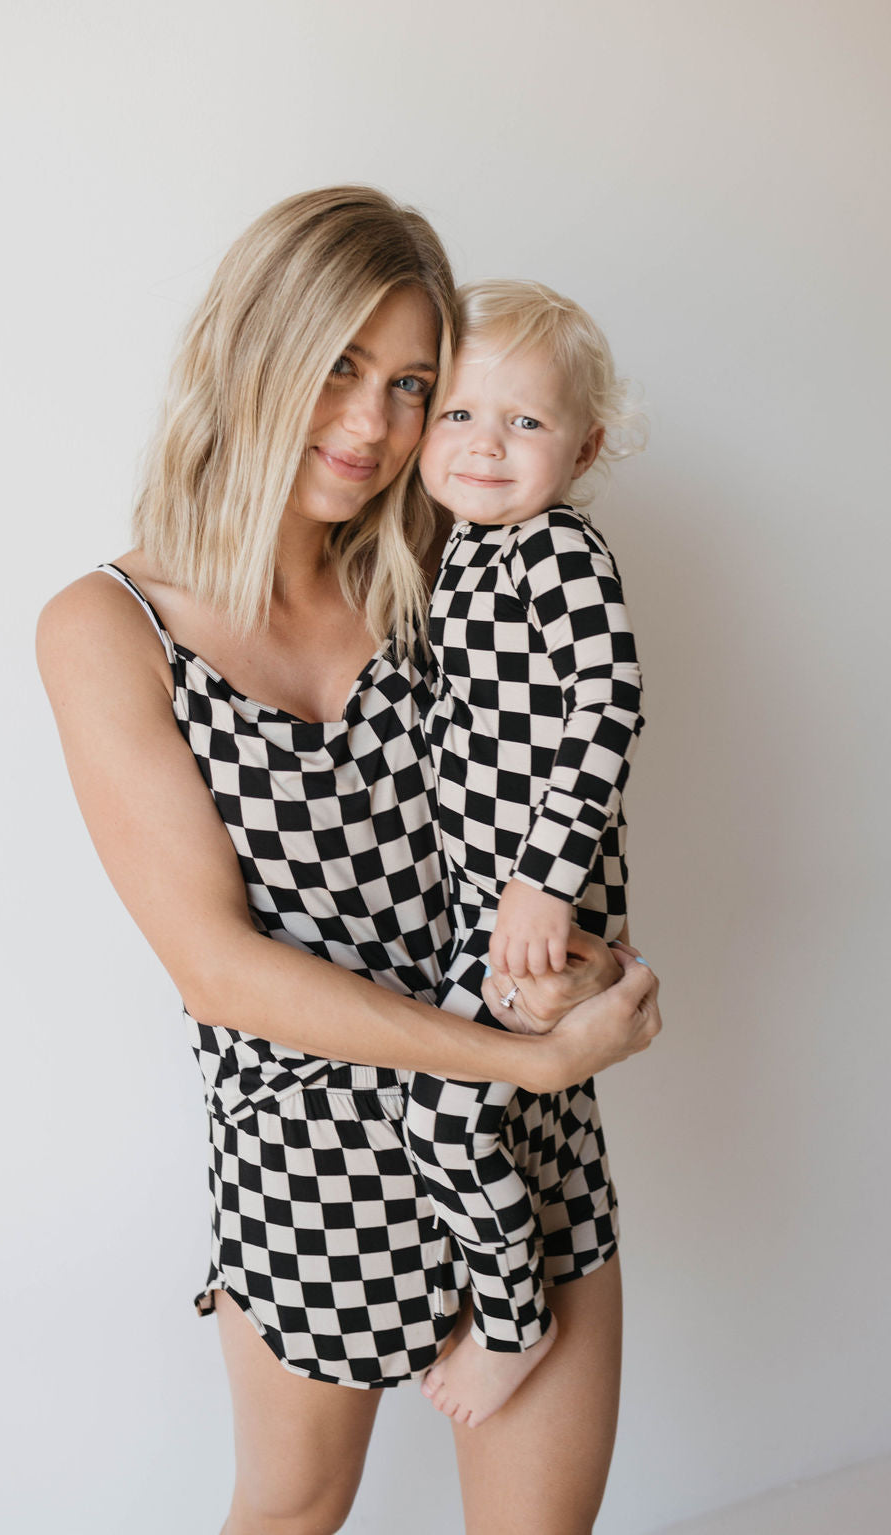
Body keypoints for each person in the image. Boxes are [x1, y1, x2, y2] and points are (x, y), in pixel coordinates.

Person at [36, 187, 660, 1535]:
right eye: (339, 368)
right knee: (293, 1507)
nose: (376, 427)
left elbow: (564, 790)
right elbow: (220, 969)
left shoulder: (452, 554)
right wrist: (525, 1053)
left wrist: (585, 966)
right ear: (248, 352)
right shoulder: (108, 625)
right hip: (318, 1171)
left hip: (521, 1145)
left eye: (414, 385)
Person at [404, 279, 648, 1430]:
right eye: (456, 414)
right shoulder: (462, 554)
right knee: (483, 1112)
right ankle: (509, 1290)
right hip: (490, 898)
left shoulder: (556, 547)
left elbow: (607, 703)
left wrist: (545, 882)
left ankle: (513, 1320)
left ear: (586, 444)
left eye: (526, 421)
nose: (485, 446)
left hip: (540, 899)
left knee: (446, 1117)